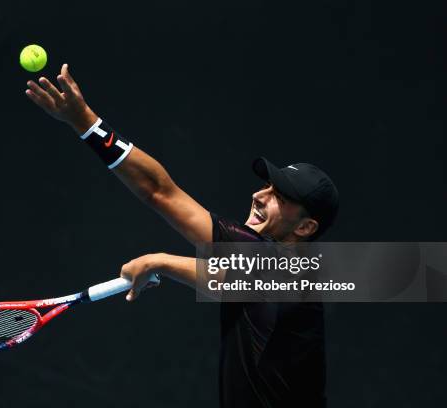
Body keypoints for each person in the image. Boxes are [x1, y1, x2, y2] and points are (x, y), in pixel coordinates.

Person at [25, 63, 339, 408]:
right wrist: (85, 123)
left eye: (279, 197)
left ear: (305, 228)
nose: (259, 196)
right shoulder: (251, 248)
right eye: (266, 186)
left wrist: (161, 261)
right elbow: (160, 192)